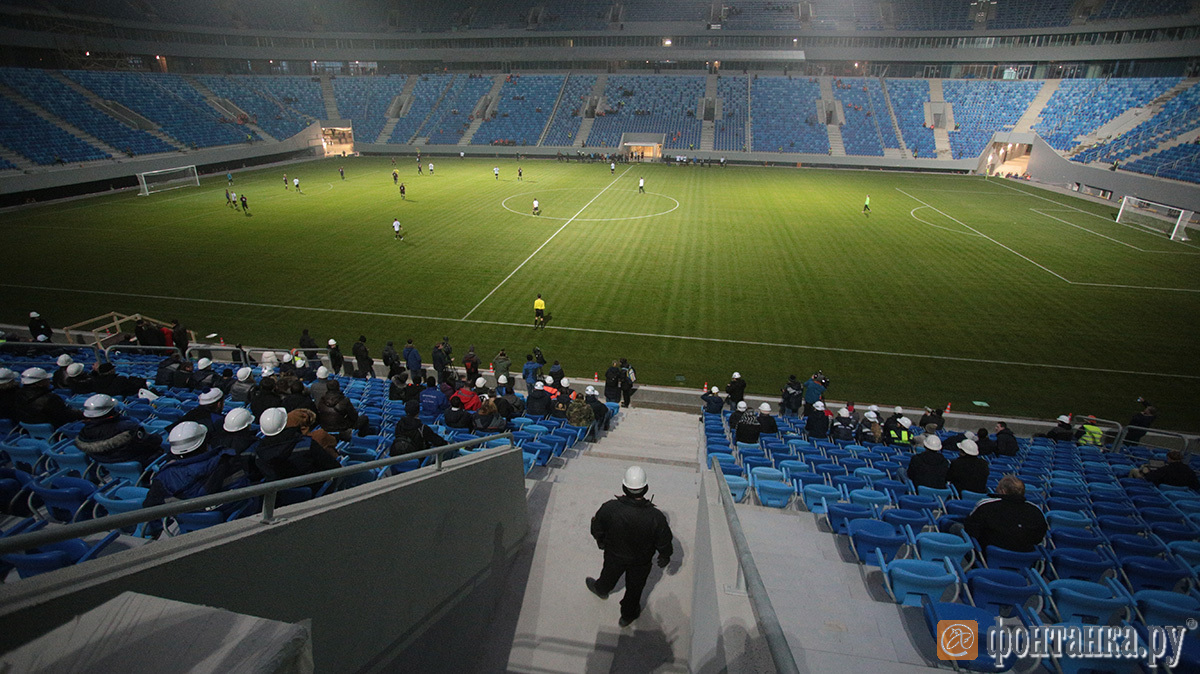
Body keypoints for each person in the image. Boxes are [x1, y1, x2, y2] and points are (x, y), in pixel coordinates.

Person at [586, 466, 674, 627]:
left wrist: (601, 541)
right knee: (635, 588)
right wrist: (665, 555)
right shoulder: (656, 517)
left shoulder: (610, 508)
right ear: (645, 488)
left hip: (614, 555)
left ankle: (601, 589)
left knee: (608, 575)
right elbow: (664, 540)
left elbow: (597, 527)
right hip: (641, 562)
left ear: (624, 487)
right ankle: (628, 614)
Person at [143, 421, 250, 513]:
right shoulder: (227, 460)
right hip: (228, 518)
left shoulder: (164, 477)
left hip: (181, 526)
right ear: (203, 443)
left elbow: (150, 510)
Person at [964, 476, 1048, 553]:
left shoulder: (986, 505)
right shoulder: (1036, 511)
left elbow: (971, 528)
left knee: (957, 528)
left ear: (1003, 491)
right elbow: (1039, 537)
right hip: (1025, 558)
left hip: (989, 554)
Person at [75, 393, 163, 467]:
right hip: (134, 462)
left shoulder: (84, 432)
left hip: (104, 464)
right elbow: (152, 442)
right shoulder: (127, 428)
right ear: (110, 411)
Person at [255, 407, 340, 482]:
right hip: (312, 491)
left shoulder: (259, 453)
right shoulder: (306, 444)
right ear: (285, 422)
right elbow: (333, 466)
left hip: (280, 497)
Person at [16, 367, 82, 428]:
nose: (49, 381)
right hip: (54, 429)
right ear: (39, 383)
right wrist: (80, 414)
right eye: (46, 379)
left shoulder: (18, 395)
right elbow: (65, 416)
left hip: (30, 428)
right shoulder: (50, 399)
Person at [1133, 450, 1199, 490]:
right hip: (1183, 493)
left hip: (1164, 490)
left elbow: (1150, 477)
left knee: (1136, 472)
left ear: (1168, 458)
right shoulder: (1189, 470)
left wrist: (1145, 472)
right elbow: (1195, 484)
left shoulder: (1166, 469)